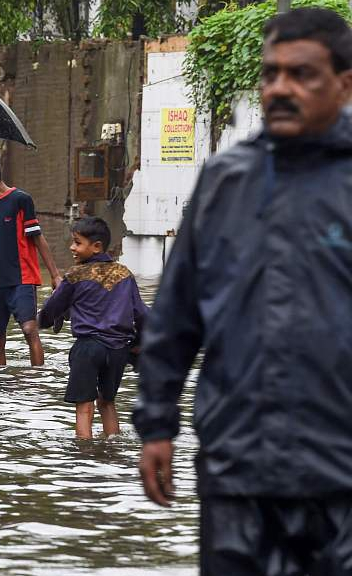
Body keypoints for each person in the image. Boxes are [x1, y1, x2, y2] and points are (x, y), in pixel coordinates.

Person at [133, 9, 352, 574]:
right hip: (237, 463)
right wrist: (156, 424)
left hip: (340, 471)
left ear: (344, 84)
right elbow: (176, 317)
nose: (281, 88)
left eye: (301, 74)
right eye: (271, 73)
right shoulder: (226, 180)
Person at [36, 217, 146, 439]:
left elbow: (52, 308)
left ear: (96, 247)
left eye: (77, 243)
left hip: (88, 348)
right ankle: (112, 449)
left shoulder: (75, 275)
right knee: (107, 402)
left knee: (84, 407)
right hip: (118, 350)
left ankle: (84, 455)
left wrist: (42, 322)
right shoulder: (124, 274)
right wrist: (139, 343)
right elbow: (142, 313)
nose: (72, 247)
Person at [0, 152, 62, 367]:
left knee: (30, 330)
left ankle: (37, 380)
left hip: (22, 278)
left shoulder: (21, 199)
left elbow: (38, 238)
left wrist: (55, 274)